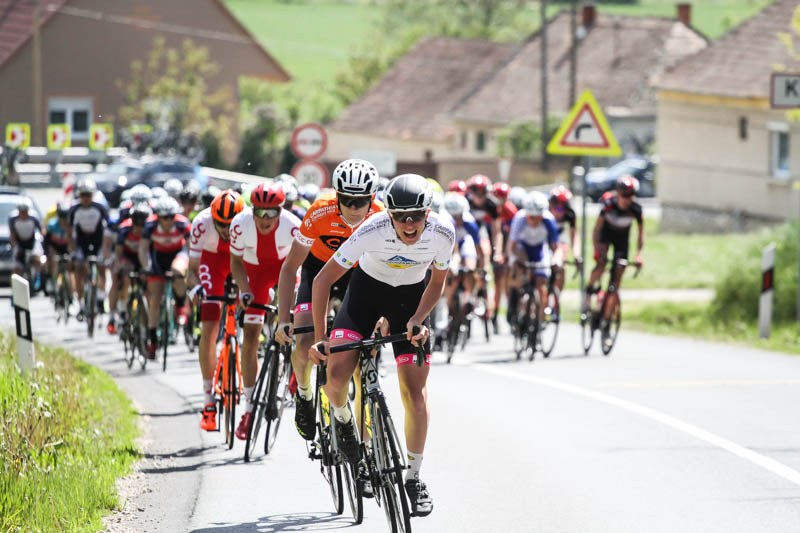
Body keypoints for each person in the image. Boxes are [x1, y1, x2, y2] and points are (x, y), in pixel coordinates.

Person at [309, 174, 455, 518]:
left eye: (416, 216)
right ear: (387, 214)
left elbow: (437, 284)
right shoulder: (371, 229)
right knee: (338, 374)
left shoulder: (443, 233)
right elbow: (321, 281)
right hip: (364, 299)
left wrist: (419, 318)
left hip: (410, 303)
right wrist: (320, 337)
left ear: (428, 213)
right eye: (401, 216)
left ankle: (414, 478)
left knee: (414, 393)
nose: (409, 224)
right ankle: (344, 422)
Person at [275, 158, 384, 443]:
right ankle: (304, 393)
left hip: (358, 278)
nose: (352, 207)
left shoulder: (381, 216)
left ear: (372, 198)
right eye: (345, 199)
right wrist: (283, 319)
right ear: (336, 195)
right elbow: (290, 268)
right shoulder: (320, 212)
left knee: (363, 362)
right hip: (318, 272)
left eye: (360, 201)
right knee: (304, 338)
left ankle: (366, 442)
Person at [229, 182, 301, 440]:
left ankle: (295, 367)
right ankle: (248, 408)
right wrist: (245, 290)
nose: (265, 219)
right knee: (250, 339)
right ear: (253, 210)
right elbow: (235, 263)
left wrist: (292, 303)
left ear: (281, 211)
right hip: (255, 274)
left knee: (295, 319)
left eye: (272, 213)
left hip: (286, 270)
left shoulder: (293, 226)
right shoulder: (240, 224)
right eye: (260, 212)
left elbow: (299, 268)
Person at [187, 189, 244, 431]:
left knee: (249, 306)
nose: (225, 228)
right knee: (209, 328)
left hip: (240, 262)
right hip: (212, 264)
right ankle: (208, 399)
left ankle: (237, 341)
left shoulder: (248, 224)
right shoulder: (201, 224)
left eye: (230, 224)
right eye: (220, 223)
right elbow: (192, 269)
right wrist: (196, 289)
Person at [138, 196, 191, 359]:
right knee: (154, 299)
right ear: (158, 217)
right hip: (158, 258)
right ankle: (153, 342)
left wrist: (188, 266)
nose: (168, 221)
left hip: (178, 254)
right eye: (164, 217)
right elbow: (143, 249)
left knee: (178, 271)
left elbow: (190, 249)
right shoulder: (150, 225)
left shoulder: (182, 224)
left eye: (171, 217)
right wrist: (146, 267)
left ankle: (180, 306)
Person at [584, 175, 644, 315]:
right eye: (623, 195)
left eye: (630, 195)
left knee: (618, 275)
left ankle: (607, 315)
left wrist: (638, 255)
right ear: (618, 192)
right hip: (605, 236)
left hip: (622, 240)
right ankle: (589, 291)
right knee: (601, 264)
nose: (626, 198)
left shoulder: (636, 209)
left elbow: (641, 234)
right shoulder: (608, 205)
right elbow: (597, 229)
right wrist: (596, 249)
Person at [506, 191, 559, 326]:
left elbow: (555, 246)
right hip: (522, 248)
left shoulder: (549, 220)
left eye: (537, 217)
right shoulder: (519, 219)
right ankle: (515, 304)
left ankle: (540, 321)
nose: (534, 220)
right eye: (531, 217)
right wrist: (513, 259)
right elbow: (511, 246)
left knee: (542, 284)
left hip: (540, 249)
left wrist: (555, 260)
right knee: (519, 272)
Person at [68, 178, 109, 317]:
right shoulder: (74, 209)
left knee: (101, 267)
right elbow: (69, 231)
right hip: (82, 241)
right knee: (79, 269)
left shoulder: (100, 208)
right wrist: (72, 249)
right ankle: (80, 303)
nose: (85, 198)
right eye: (83, 195)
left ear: (93, 195)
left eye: (88, 195)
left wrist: (106, 249)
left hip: (98, 240)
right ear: (79, 195)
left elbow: (108, 230)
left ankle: (101, 298)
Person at [107, 203, 151, 333]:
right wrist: (119, 268)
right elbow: (118, 253)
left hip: (143, 258)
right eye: (137, 225)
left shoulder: (150, 230)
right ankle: (122, 310)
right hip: (128, 258)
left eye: (142, 225)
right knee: (124, 277)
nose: (140, 228)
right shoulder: (124, 229)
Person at [548, 185, 581, 297]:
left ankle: (556, 300)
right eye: (556, 209)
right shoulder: (545, 213)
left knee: (561, 265)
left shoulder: (570, 214)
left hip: (560, 237)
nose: (559, 213)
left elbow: (574, 236)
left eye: (563, 209)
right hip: (546, 238)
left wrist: (576, 255)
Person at [9, 198, 44, 287]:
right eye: (22, 211)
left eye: (25, 211)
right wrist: (15, 246)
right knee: (16, 266)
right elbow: (12, 235)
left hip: (32, 241)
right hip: (19, 242)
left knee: (37, 257)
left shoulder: (34, 217)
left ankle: (38, 276)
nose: (24, 213)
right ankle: (15, 287)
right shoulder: (13, 218)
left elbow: (41, 231)